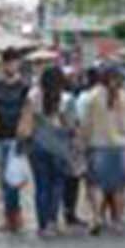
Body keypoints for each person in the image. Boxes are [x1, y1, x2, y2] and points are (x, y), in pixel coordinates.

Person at [79, 64, 125, 234]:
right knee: (118, 187)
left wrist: (83, 145)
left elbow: (85, 124)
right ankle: (117, 220)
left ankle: (96, 217)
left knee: (96, 185)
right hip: (122, 148)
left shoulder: (91, 98)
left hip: (98, 146)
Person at [22, 65, 81, 238]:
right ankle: (52, 222)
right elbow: (71, 126)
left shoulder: (33, 97)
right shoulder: (67, 99)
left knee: (41, 186)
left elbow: (27, 122)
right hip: (59, 148)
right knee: (57, 185)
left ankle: (42, 224)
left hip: (37, 147)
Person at [0, 52, 33, 233]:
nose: (11, 67)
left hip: (16, 139)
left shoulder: (24, 87)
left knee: (13, 180)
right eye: (8, 63)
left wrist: (25, 131)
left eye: (14, 63)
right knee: (4, 180)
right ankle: (12, 216)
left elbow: (28, 110)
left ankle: (13, 216)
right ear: (3, 65)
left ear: (18, 65)